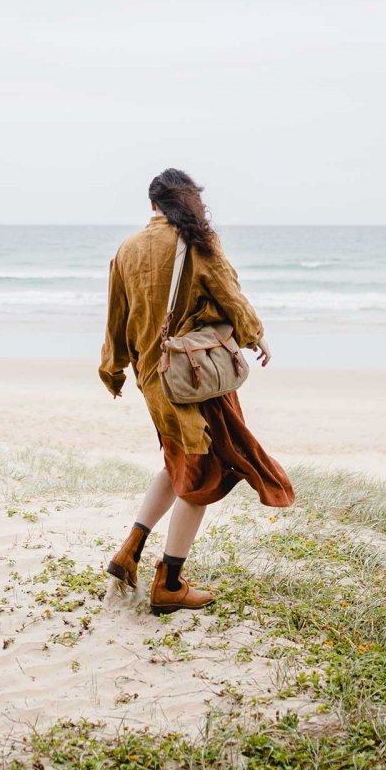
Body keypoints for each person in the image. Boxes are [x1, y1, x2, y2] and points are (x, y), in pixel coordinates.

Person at [99, 167, 294, 614]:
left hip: (154, 379)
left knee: (177, 462)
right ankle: (168, 583)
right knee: (200, 476)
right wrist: (255, 334)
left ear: (152, 206)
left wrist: (113, 370)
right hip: (194, 378)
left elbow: (115, 318)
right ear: (188, 202)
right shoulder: (199, 243)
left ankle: (129, 549)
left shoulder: (126, 250)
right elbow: (230, 294)